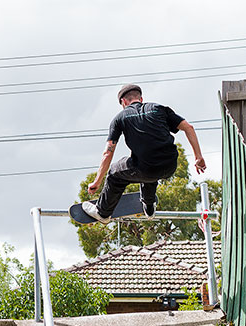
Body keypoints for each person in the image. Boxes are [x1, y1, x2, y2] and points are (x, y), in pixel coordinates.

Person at [82, 83, 206, 223]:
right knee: (145, 160)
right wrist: (198, 157)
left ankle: (102, 213)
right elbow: (189, 128)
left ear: (123, 102)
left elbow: (108, 153)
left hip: (146, 169)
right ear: (141, 99)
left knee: (115, 173)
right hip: (170, 166)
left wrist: (97, 181)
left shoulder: (120, 118)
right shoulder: (159, 109)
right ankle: (148, 205)